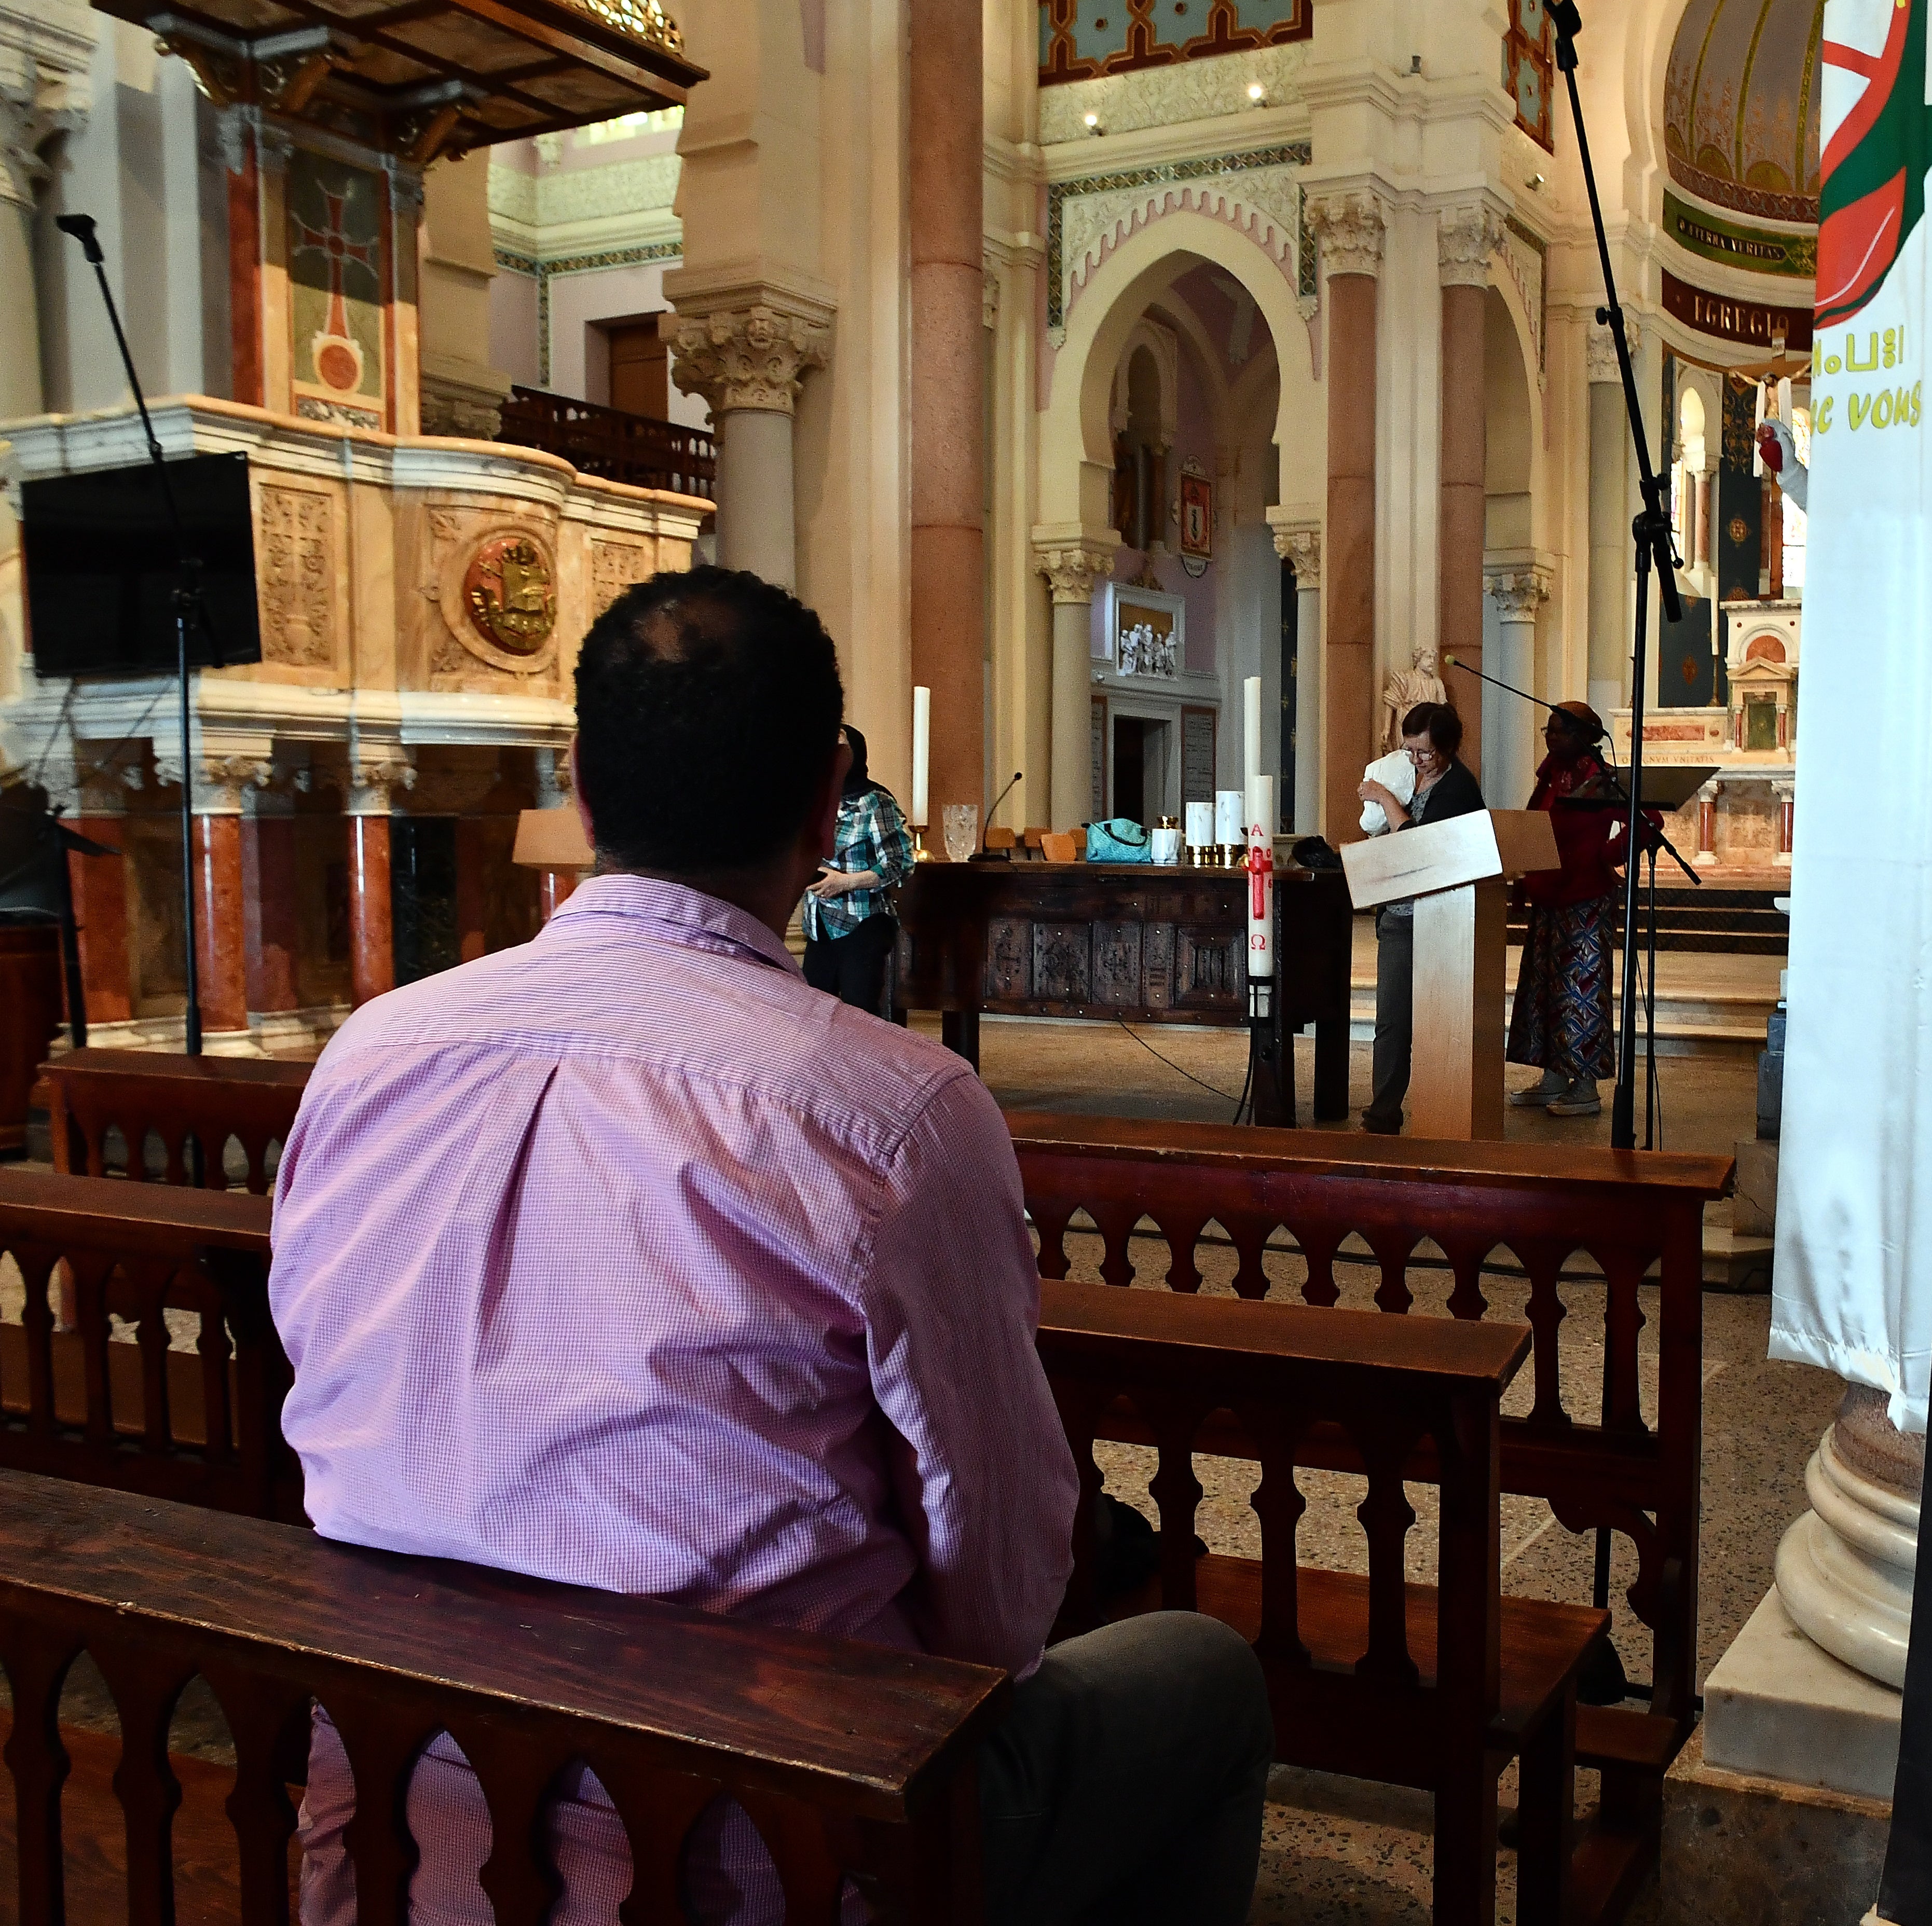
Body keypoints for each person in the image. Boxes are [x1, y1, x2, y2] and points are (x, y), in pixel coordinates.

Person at [269, 567, 1271, 1926]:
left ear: (578, 784)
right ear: (824, 809)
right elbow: (1001, 1608)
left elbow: (322, 1397)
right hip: (764, 1845)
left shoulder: (369, 1056)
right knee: (1206, 1678)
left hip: (392, 1819)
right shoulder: (894, 1114)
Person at [1355, 699, 1485, 1134]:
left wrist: (1386, 799)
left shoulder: (1457, 788)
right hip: (1399, 914)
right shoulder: (1406, 772)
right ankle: (1383, 1112)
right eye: (1410, 751)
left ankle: (1438, 1112)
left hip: (1437, 920)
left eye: (1425, 753)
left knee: (1430, 1024)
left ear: (1449, 748)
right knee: (1390, 1021)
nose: (1416, 761)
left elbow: (1419, 847)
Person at [1505, 702, 1635, 1117]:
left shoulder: (1599, 778)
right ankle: (1554, 1077)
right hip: (1549, 896)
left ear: (1583, 736)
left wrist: (1605, 855)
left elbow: (1648, 823)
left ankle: (1586, 1087)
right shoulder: (1549, 774)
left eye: (1559, 731)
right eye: (1548, 729)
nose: (1550, 736)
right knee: (1544, 992)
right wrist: (1524, 878)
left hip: (1585, 900)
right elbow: (1533, 823)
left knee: (1581, 994)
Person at [803, 721, 914, 1018]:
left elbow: (900, 862)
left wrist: (847, 883)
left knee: (860, 1015)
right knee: (813, 1015)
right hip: (819, 923)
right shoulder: (817, 801)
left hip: (862, 923)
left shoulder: (876, 802)